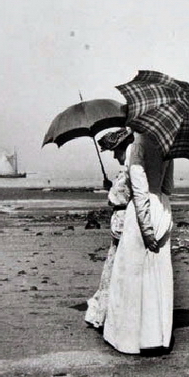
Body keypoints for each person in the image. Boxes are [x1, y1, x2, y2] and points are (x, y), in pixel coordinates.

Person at [103, 131, 175, 354]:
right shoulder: (167, 143)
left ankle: (130, 339)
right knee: (158, 276)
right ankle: (157, 336)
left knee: (132, 276)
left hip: (141, 213)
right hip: (162, 207)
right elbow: (168, 187)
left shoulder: (137, 146)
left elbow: (140, 191)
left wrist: (146, 229)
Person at [84, 128, 134, 329]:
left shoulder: (129, 171)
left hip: (123, 220)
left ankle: (111, 313)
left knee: (118, 266)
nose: (114, 155)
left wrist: (111, 190)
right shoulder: (125, 171)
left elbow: (122, 196)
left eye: (115, 150)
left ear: (123, 148)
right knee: (115, 265)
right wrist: (110, 187)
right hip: (121, 220)